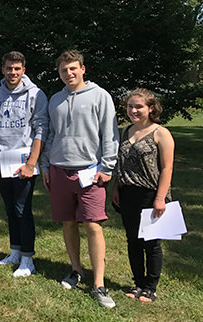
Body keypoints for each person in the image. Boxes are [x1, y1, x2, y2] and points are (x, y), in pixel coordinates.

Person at [40, 50, 119, 308]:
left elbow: (110, 134)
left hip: (90, 172)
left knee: (93, 226)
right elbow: (50, 136)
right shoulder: (55, 100)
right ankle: (75, 269)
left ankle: (98, 283)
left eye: (73, 68)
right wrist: (45, 165)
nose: (69, 73)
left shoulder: (100, 96)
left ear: (83, 69)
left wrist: (107, 167)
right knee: (68, 223)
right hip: (59, 169)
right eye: (64, 70)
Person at [0, 52, 49, 277]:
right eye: (9, 68)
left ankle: (28, 259)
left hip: (23, 162)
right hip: (1, 160)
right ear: (2, 69)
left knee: (23, 210)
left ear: (23, 70)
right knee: (10, 209)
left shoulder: (36, 94)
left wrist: (32, 163)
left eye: (17, 68)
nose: (13, 72)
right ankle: (15, 251)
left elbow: (41, 128)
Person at [112, 88, 174, 303]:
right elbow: (121, 164)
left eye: (139, 106)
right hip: (127, 192)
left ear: (151, 108)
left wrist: (159, 198)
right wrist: (116, 188)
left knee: (151, 242)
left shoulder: (160, 133)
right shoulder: (126, 130)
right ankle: (138, 282)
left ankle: (150, 287)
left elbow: (167, 168)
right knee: (133, 241)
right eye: (130, 106)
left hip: (150, 194)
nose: (134, 110)